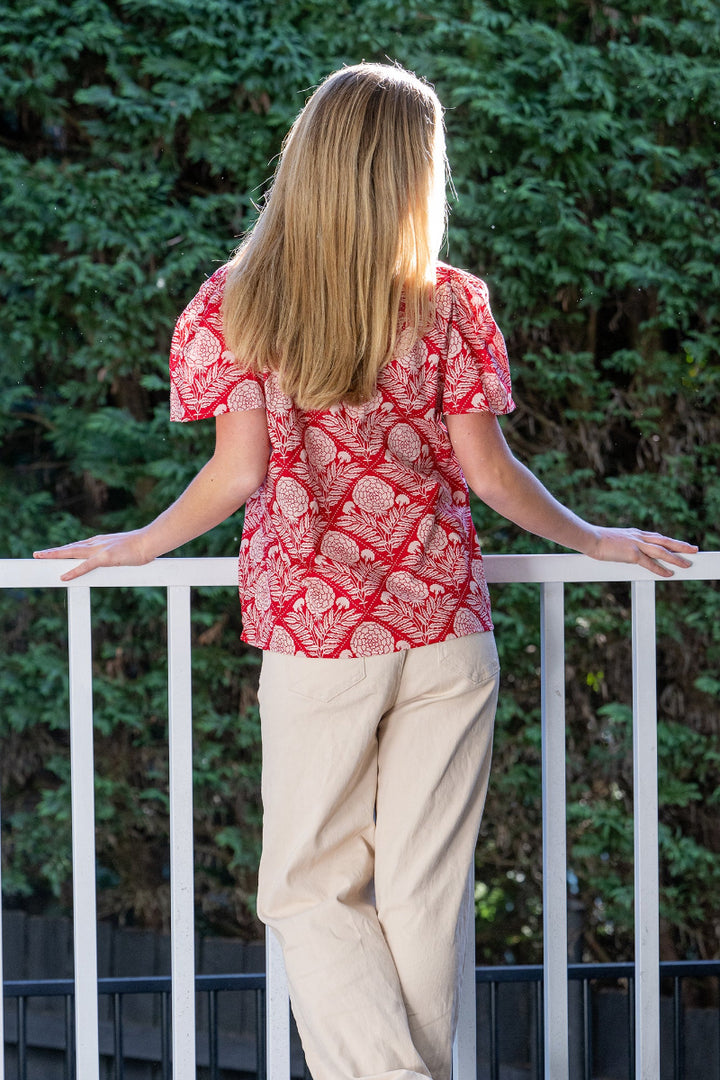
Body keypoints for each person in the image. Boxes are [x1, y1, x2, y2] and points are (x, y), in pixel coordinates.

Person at [34, 63, 697, 1080]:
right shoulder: (452, 304)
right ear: (411, 176)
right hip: (446, 631)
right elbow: (490, 473)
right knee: (425, 895)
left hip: (319, 635)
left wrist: (131, 544)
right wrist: (597, 536)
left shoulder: (239, 302)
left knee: (306, 889)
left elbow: (238, 472)